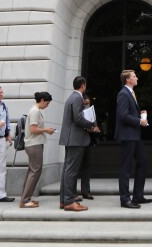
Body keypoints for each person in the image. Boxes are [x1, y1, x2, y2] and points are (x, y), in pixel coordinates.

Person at [59, 76, 98, 212]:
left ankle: (64, 200)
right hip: (75, 139)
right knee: (71, 171)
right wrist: (92, 125)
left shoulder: (71, 97)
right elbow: (78, 118)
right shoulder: (77, 98)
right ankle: (69, 201)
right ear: (83, 85)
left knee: (67, 170)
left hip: (71, 138)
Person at [116, 70, 151, 209]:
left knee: (143, 162)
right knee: (125, 168)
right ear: (128, 80)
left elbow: (128, 112)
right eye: (134, 76)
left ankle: (138, 195)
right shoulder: (123, 94)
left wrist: (139, 114)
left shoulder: (130, 93)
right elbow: (123, 116)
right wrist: (139, 121)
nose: (137, 78)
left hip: (134, 136)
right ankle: (125, 199)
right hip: (128, 136)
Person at [19, 91, 55, 208]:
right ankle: (25, 201)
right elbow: (33, 130)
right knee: (35, 172)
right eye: (47, 103)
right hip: (34, 145)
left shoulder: (35, 110)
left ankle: (25, 198)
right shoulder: (35, 111)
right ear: (42, 100)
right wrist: (46, 130)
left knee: (32, 171)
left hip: (33, 144)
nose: (47, 106)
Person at [79, 93, 96, 200]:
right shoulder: (77, 110)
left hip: (89, 141)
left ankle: (86, 191)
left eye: (88, 101)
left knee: (87, 167)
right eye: (85, 101)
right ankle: (71, 193)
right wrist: (88, 128)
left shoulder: (91, 111)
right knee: (74, 168)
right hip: (79, 141)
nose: (87, 103)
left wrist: (95, 128)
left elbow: (94, 123)